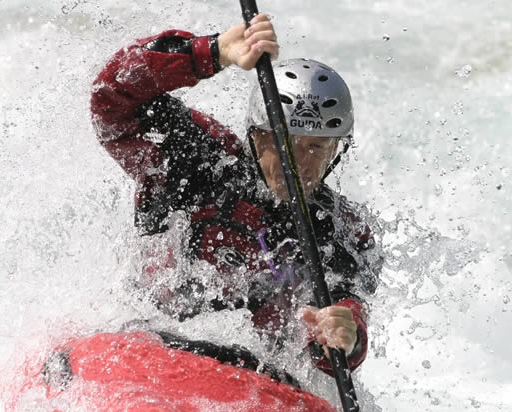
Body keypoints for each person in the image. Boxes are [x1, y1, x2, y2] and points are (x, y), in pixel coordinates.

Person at [90, 13, 381, 379]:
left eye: (316, 147)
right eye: (285, 144)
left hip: (254, 378)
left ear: (337, 150)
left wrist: (344, 335)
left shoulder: (342, 229)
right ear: (257, 137)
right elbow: (110, 101)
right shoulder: (198, 160)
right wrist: (210, 52)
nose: (300, 164)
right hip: (146, 350)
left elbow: (344, 319)